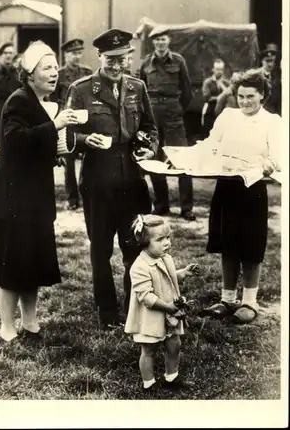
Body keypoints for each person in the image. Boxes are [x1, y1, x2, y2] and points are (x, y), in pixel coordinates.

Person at [0, 41, 78, 343]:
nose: (54, 73)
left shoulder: (37, 101)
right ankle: (6, 326)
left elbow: (32, 146)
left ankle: (30, 322)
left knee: (32, 260)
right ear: (29, 73)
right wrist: (55, 126)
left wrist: (55, 151)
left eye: (56, 68)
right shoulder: (19, 100)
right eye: (47, 68)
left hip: (33, 196)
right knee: (13, 262)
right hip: (14, 198)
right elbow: (13, 142)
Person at [66, 28, 159, 329]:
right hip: (98, 177)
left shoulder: (137, 87)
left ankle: (133, 305)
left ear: (128, 57)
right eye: (111, 59)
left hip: (132, 178)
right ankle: (107, 313)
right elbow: (66, 133)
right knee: (101, 249)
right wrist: (83, 140)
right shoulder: (81, 90)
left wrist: (149, 148)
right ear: (100, 57)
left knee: (135, 246)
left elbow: (151, 128)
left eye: (122, 59)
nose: (116, 66)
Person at [199, 70, 281, 324]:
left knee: (250, 245)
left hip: (253, 188)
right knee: (228, 243)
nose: (245, 102)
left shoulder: (272, 121)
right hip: (226, 185)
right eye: (241, 96)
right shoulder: (227, 116)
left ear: (263, 96)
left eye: (251, 97)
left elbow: (278, 155)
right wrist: (197, 155)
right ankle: (227, 299)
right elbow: (212, 143)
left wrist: (271, 163)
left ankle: (249, 301)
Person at [125, 214, 199, 392]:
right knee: (149, 349)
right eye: (160, 239)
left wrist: (182, 273)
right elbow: (146, 297)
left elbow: (169, 278)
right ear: (144, 242)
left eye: (168, 237)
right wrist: (169, 308)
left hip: (169, 313)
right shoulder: (139, 266)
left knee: (174, 345)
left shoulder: (165, 258)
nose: (167, 243)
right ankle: (149, 384)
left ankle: (171, 378)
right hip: (151, 316)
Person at [139, 27, 196, 220]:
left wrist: (176, 109)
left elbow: (187, 92)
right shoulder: (146, 63)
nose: (160, 43)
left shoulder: (179, 61)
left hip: (174, 115)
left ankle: (186, 207)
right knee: (155, 160)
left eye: (163, 39)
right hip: (153, 115)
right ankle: (162, 205)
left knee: (182, 161)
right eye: (157, 40)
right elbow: (141, 91)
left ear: (169, 41)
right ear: (153, 43)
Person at [53, 38, 92, 210]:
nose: (76, 57)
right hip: (66, 119)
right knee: (68, 161)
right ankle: (72, 199)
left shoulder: (88, 72)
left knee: (88, 159)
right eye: (72, 53)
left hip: (83, 119)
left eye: (79, 53)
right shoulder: (59, 74)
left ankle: (86, 195)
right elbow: (53, 100)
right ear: (66, 55)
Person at [201, 59, 230, 136]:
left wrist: (222, 86)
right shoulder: (208, 82)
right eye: (217, 69)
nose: (219, 71)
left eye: (221, 69)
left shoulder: (226, 83)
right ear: (213, 70)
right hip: (210, 109)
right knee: (209, 132)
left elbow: (229, 94)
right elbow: (207, 97)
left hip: (222, 111)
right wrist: (220, 97)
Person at [259, 43, 281, 116]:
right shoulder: (256, 75)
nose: (270, 64)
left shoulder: (277, 76)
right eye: (267, 61)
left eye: (271, 61)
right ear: (262, 61)